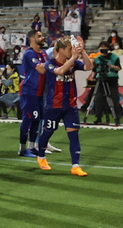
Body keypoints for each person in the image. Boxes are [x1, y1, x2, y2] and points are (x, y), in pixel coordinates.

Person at [34, 38, 93, 176]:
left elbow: (89, 67)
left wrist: (83, 51)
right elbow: (60, 71)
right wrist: (73, 58)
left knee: (74, 135)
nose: (72, 51)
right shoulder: (50, 63)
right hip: (54, 105)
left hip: (70, 105)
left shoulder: (73, 63)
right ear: (61, 50)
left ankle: (75, 166)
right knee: (48, 132)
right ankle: (41, 156)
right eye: (69, 49)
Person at [18, 30, 50, 158]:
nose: (42, 38)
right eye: (39, 36)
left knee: (37, 119)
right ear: (32, 39)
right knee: (28, 119)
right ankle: (22, 148)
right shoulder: (29, 53)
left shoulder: (43, 53)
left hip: (40, 92)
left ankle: (31, 147)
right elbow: (41, 69)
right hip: (29, 91)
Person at [87, 43, 123, 126]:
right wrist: (93, 77)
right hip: (100, 79)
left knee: (114, 98)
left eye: (105, 47)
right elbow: (94, 69)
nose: (103, 49)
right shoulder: (97, 58)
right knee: (98, 98)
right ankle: (98, 117)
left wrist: (111, 66)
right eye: (101, 47)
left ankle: (117, 117)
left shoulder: (114, 57)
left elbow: (119, 68)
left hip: (112, 79)